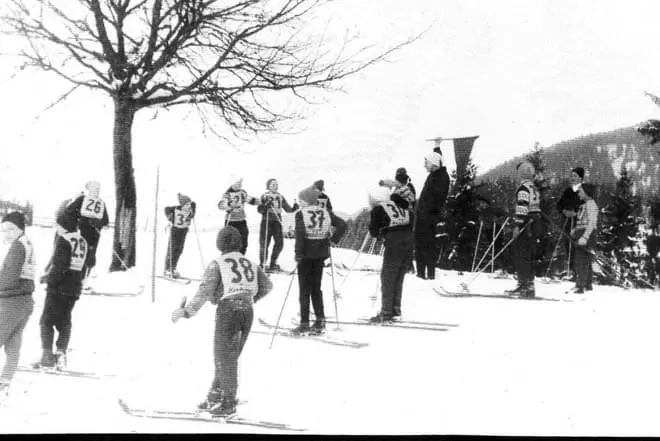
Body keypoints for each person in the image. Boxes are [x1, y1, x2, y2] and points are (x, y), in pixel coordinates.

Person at [171, 226, 273, 417]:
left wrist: (187, 311)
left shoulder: (218, 263)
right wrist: (250, 297)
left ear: (220, 244)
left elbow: (204, 291)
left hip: (228, 310)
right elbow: (267, 286)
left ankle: (228, 403)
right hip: (247, 310)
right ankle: (215, 396)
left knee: (224, 357)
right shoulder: (250, 262)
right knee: (229, 356)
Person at [292, 185, 346, 335]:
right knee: (316, 288)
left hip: (306, 255)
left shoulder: (300, 213)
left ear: (306, 200)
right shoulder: (326, 212)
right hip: (321, 253)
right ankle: (320, 320)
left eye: (300, 200)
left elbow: (300, 235)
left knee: (304, 289)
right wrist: (333, 239)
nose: (299, 202)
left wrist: (298, 253)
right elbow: (342, 224)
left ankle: (304, 323)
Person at [37, 215, 88, 369]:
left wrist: (49, 280)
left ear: (64, 225)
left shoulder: (64, 240)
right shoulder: (82, 241)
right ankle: (61, 354)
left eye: (58, 225)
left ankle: (46, 357)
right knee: (64, 321)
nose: (56, 228)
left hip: (59, 287)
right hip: (74, 286)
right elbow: (88, 263)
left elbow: (60, 265)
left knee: (46, 321)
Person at [0, 212, 35, 401]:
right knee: (13, 346)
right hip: (25, 301)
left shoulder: (17, 247)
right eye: (3, 230)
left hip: (11, 302)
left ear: (21, 229)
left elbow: (8, 279)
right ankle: (3, 385)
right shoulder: (27, 243)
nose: (6, 234)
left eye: (11, 229)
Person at [367, 187, 414, 323]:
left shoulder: (379, 208)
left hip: (394, 242)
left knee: (388, 277)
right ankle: (395, 309)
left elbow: (374, 231)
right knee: (399, 276)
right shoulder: (404, 208)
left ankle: (386, 312)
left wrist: (382, 233)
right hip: (409, 240)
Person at [56, 181, 109, 280]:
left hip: (93, 235)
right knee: (77, 257)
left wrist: (98, 223)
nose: (97, 191)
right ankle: (72, 278)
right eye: (94, 188)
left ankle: (84, 280)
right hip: (80, 233)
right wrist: (78, 221)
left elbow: (105, 221)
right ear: (89, 189)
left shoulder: (101, 203)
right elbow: (69, 212)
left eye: (98, 189)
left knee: (89, 257)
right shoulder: (82, 199)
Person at [506, 161, 542, 298]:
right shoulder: (533, 187)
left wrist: (517, 225)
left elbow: (522, 207)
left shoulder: (523, 188)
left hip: (527, 224)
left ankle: (525, 284)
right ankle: (528, 284)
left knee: (522, 254)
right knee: (529, 254)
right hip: (535, 222)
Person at [414, 152, 450, 280]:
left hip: (429, 217)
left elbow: (437, 198)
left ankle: (429, 274)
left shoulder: (441, 177)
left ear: (433, 163)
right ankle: (421, 273)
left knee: (427, 245)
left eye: (426, 163)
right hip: (424, 216)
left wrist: (427, 212)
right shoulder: (434, 175)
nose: (425, 165)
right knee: (420, 245)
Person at [257, 178, 298, 272]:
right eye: (272, 184)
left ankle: (273, 263)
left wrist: (294, 208)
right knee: (264, 243)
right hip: (266, 221)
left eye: (276, 184)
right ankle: (262, 264)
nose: (275, 186)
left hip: (277, 221)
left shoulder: (280, 197)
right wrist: (265, 205)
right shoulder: (264, 196)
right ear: (268, 186)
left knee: (279, 243)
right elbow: (260, 210)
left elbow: (288, 209)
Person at [217, 177, 260, 255]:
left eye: (240, 183)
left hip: (241, 220)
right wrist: (228, 206)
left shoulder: (242, 193)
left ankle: (241, 257)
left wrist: (261, 202)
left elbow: (251, 200)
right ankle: (228, 257)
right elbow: (221, 205)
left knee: (244, 240)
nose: (239, 185)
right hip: (231, 221)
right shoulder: (227, 194)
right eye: (237, 183)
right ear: (232, 183)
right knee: (230, 241)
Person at [556, 167, 585, 277]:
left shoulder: (584, 191)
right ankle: (571, 270)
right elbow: (558, 205)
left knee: (577, 247)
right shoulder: (568, 191)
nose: (572, 178)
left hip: (579, 223)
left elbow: (586, 207)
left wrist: (576, 213)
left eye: (575, 176)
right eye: (572, 176)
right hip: (567, 222)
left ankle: (579, 272)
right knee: (567, 245)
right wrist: (564, 211)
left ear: (581, 178)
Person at [570, 183, 598, 293]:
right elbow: (582, 221)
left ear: (587, 192)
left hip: (587, 235)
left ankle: (580, 286)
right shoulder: (585, 205)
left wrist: (585, 237)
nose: (579, 193)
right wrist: (575, 230)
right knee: (585, 259)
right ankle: (587, 284)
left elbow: (592, 223)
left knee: (581, 260)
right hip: (581, 233)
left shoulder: (591, 204)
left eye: (581, 191)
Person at [164, 193, 196, 278]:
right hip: (175, 230)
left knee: (179, 250)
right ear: (182, 204)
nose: (188, 206)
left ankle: (173, 268)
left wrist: (192, 208)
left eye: (189, 204)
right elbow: (166, 209)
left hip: (184, 231)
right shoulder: (176, 208)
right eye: (186, 204)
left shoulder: (191, 209)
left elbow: (194, 204)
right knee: (172, 249)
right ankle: (167, 269)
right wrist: (169, 216)